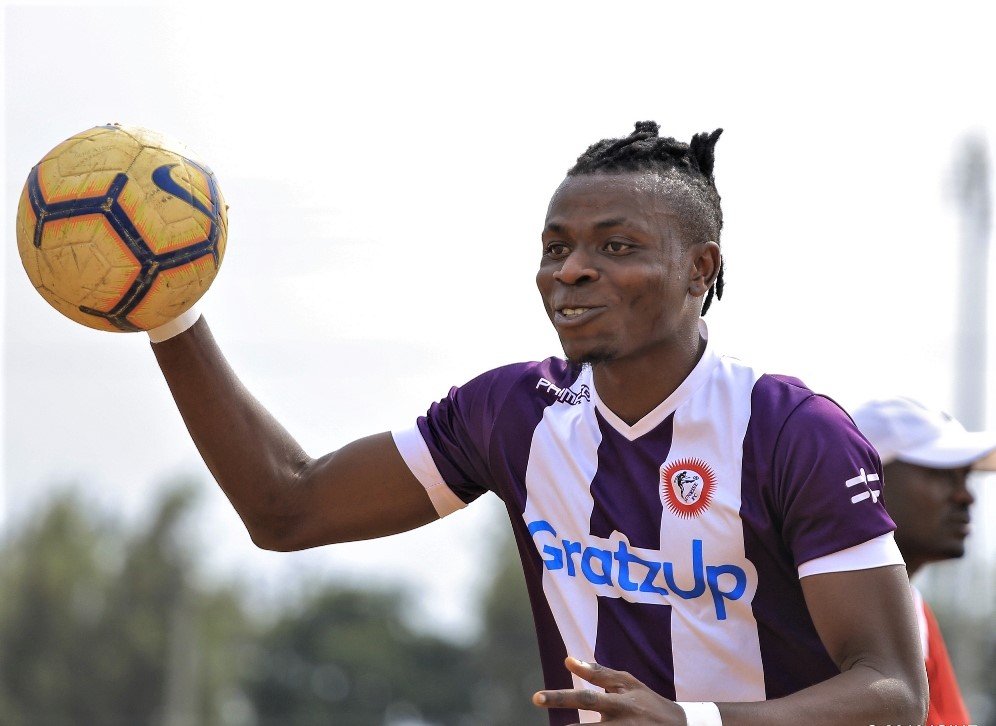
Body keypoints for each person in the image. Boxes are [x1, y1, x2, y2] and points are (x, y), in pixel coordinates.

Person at [148, 122, 927, 725]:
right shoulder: (512, 414)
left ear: (701, 268)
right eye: (556, 247)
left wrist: (691, 719)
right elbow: (289, 508)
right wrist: (166, 313)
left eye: (614, 245)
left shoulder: (792, 431)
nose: (571, 270)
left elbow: (892, 688)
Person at [850, 395, 996, 726]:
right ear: (869, 478)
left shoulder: (913, 608)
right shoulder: (801, 609)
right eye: (941, 472)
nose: (966, 495)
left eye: (965, 475)